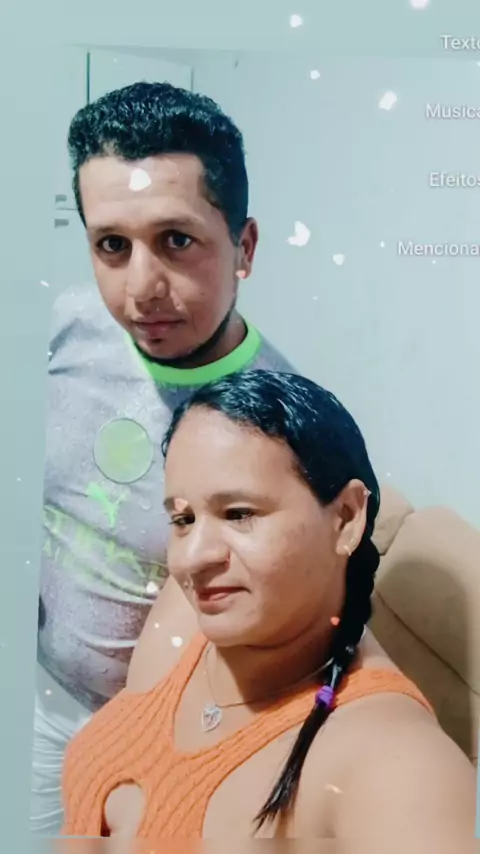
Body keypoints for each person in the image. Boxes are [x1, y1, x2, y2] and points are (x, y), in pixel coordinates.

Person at [33, 81, 298, 835]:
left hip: (167, 742)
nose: (141, 289)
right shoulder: (66, 328)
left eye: (177, 240)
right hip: (41, 696)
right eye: (111, 246)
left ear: (244, 248)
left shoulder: (282, 422)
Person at [61, 370, 476, 847]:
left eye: (239, 514)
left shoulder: (397, 765)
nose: (192, 559)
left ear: (345, 518)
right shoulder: (198, 609)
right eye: (183, 518)